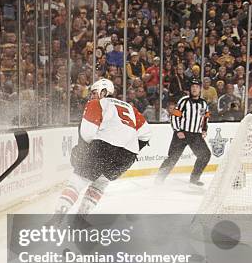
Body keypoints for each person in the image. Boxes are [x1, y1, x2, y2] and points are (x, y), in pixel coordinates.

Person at [55, 78, 151, 214]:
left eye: (94, 93)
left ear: (104, 92)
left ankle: (57, 218)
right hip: (127, 158)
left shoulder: (97, 103)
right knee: (100, 183)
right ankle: (80, 219)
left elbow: (87, 134)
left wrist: (86, 153)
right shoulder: (130, 108)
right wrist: (130, 147)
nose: (92, 96)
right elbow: (146, 134)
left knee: (78, 180)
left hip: (104, 148)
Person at [156, 79, 211, 186]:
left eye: (197, 87)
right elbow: (175, 116)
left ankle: (194, 178)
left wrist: (204, 130)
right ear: (190, 89)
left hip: (195, 135)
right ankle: (159, 179)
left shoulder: (203, 103)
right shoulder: (184, 101)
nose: (195, 89)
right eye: (193, 87)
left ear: (200, 89)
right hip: (181, 134)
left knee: (205, 155)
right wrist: (178, 130)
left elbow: (205, 118)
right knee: (173, 157)